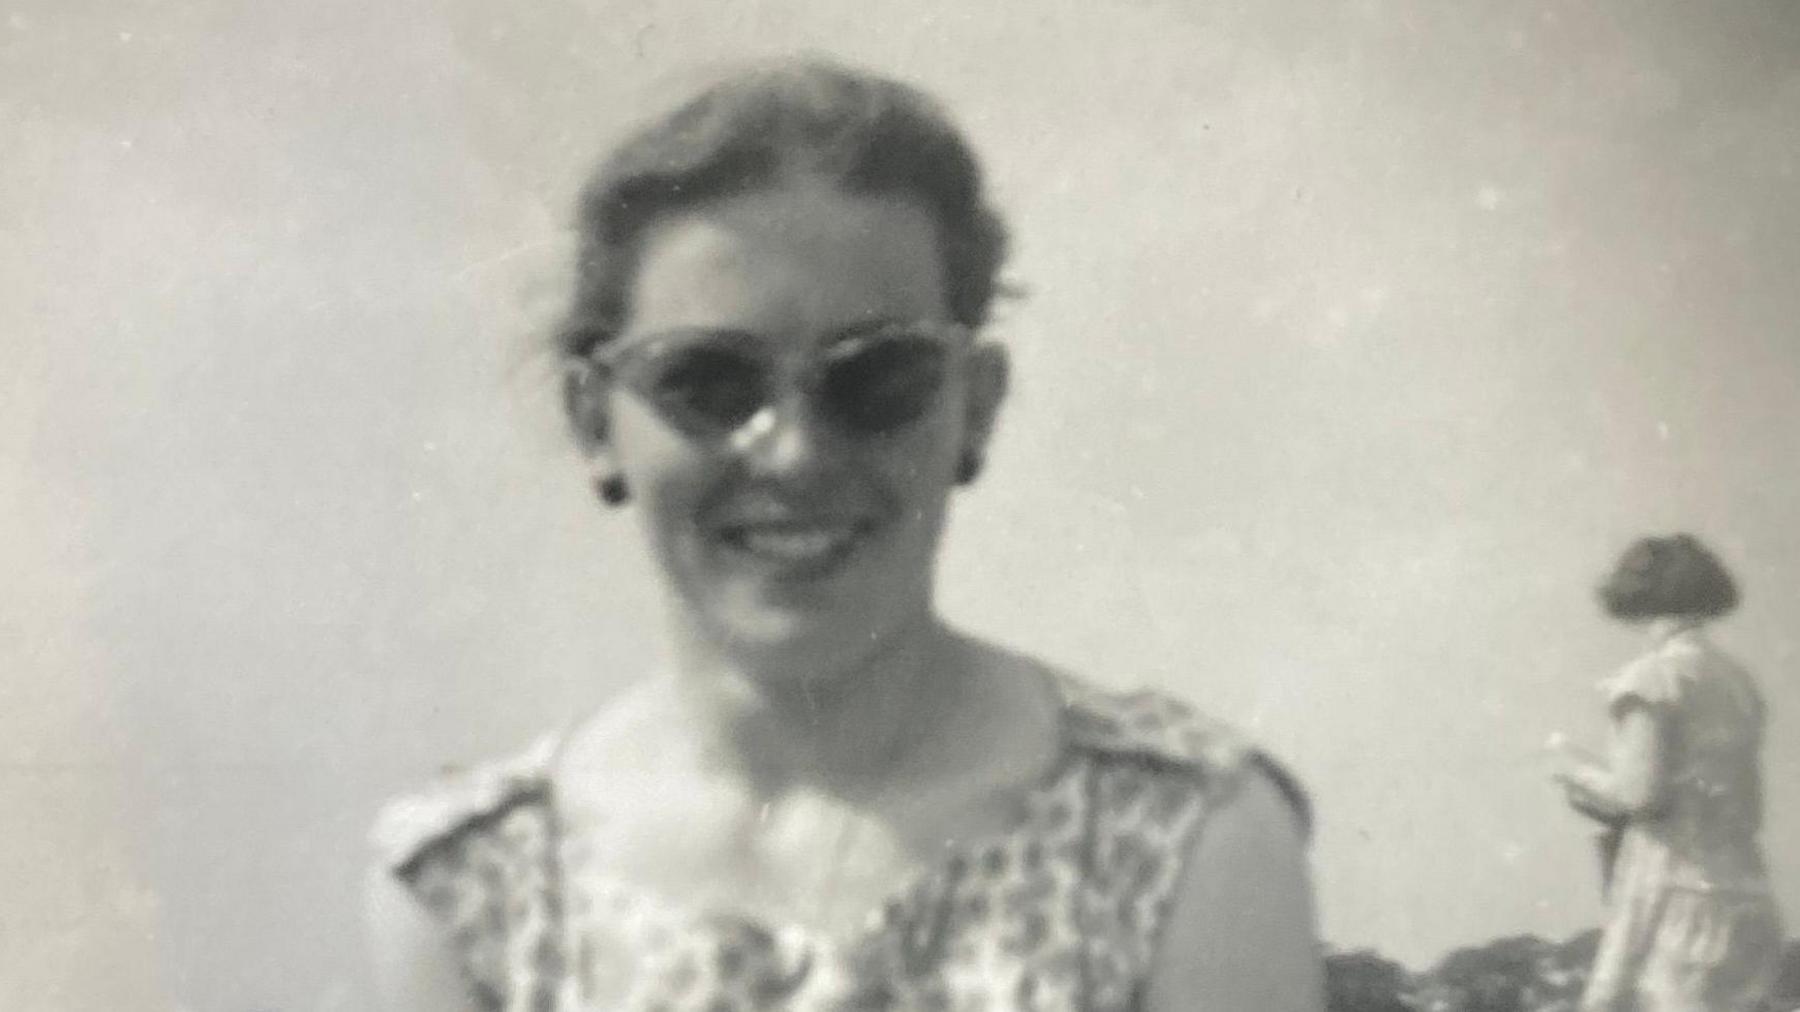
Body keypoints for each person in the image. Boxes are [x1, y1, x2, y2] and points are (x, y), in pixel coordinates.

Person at [365, 58, 1323, 1011]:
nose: (793, 455)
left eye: (878, 378)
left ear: (975, 407)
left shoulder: (1180, 836)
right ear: (593, 419)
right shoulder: (475, 891)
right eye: (708, 381)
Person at [1549, 533, 1784, 1011]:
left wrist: (1573, 770)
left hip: (1675, 898)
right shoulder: (1739, 683)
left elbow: (1641, 796)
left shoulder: (1651, 679)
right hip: (1745, 895)